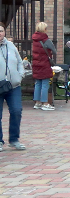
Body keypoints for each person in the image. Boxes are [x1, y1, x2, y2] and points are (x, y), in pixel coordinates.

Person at [0, 22, 26, 151]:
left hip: (13, 85)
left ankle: (14, 139)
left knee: (16, 111)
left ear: (4, 32)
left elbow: (20, 62)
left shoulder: (11, 46)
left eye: (1, 30)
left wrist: (20, 75)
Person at [31, 22, 56, 111]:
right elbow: (54, 50)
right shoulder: (46, 40)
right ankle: (45, 103)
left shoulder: (34, 39)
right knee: (45, 84)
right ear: (44, 29)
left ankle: (37, 103)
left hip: (36, 65)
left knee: (38, 84)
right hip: (44, 64)